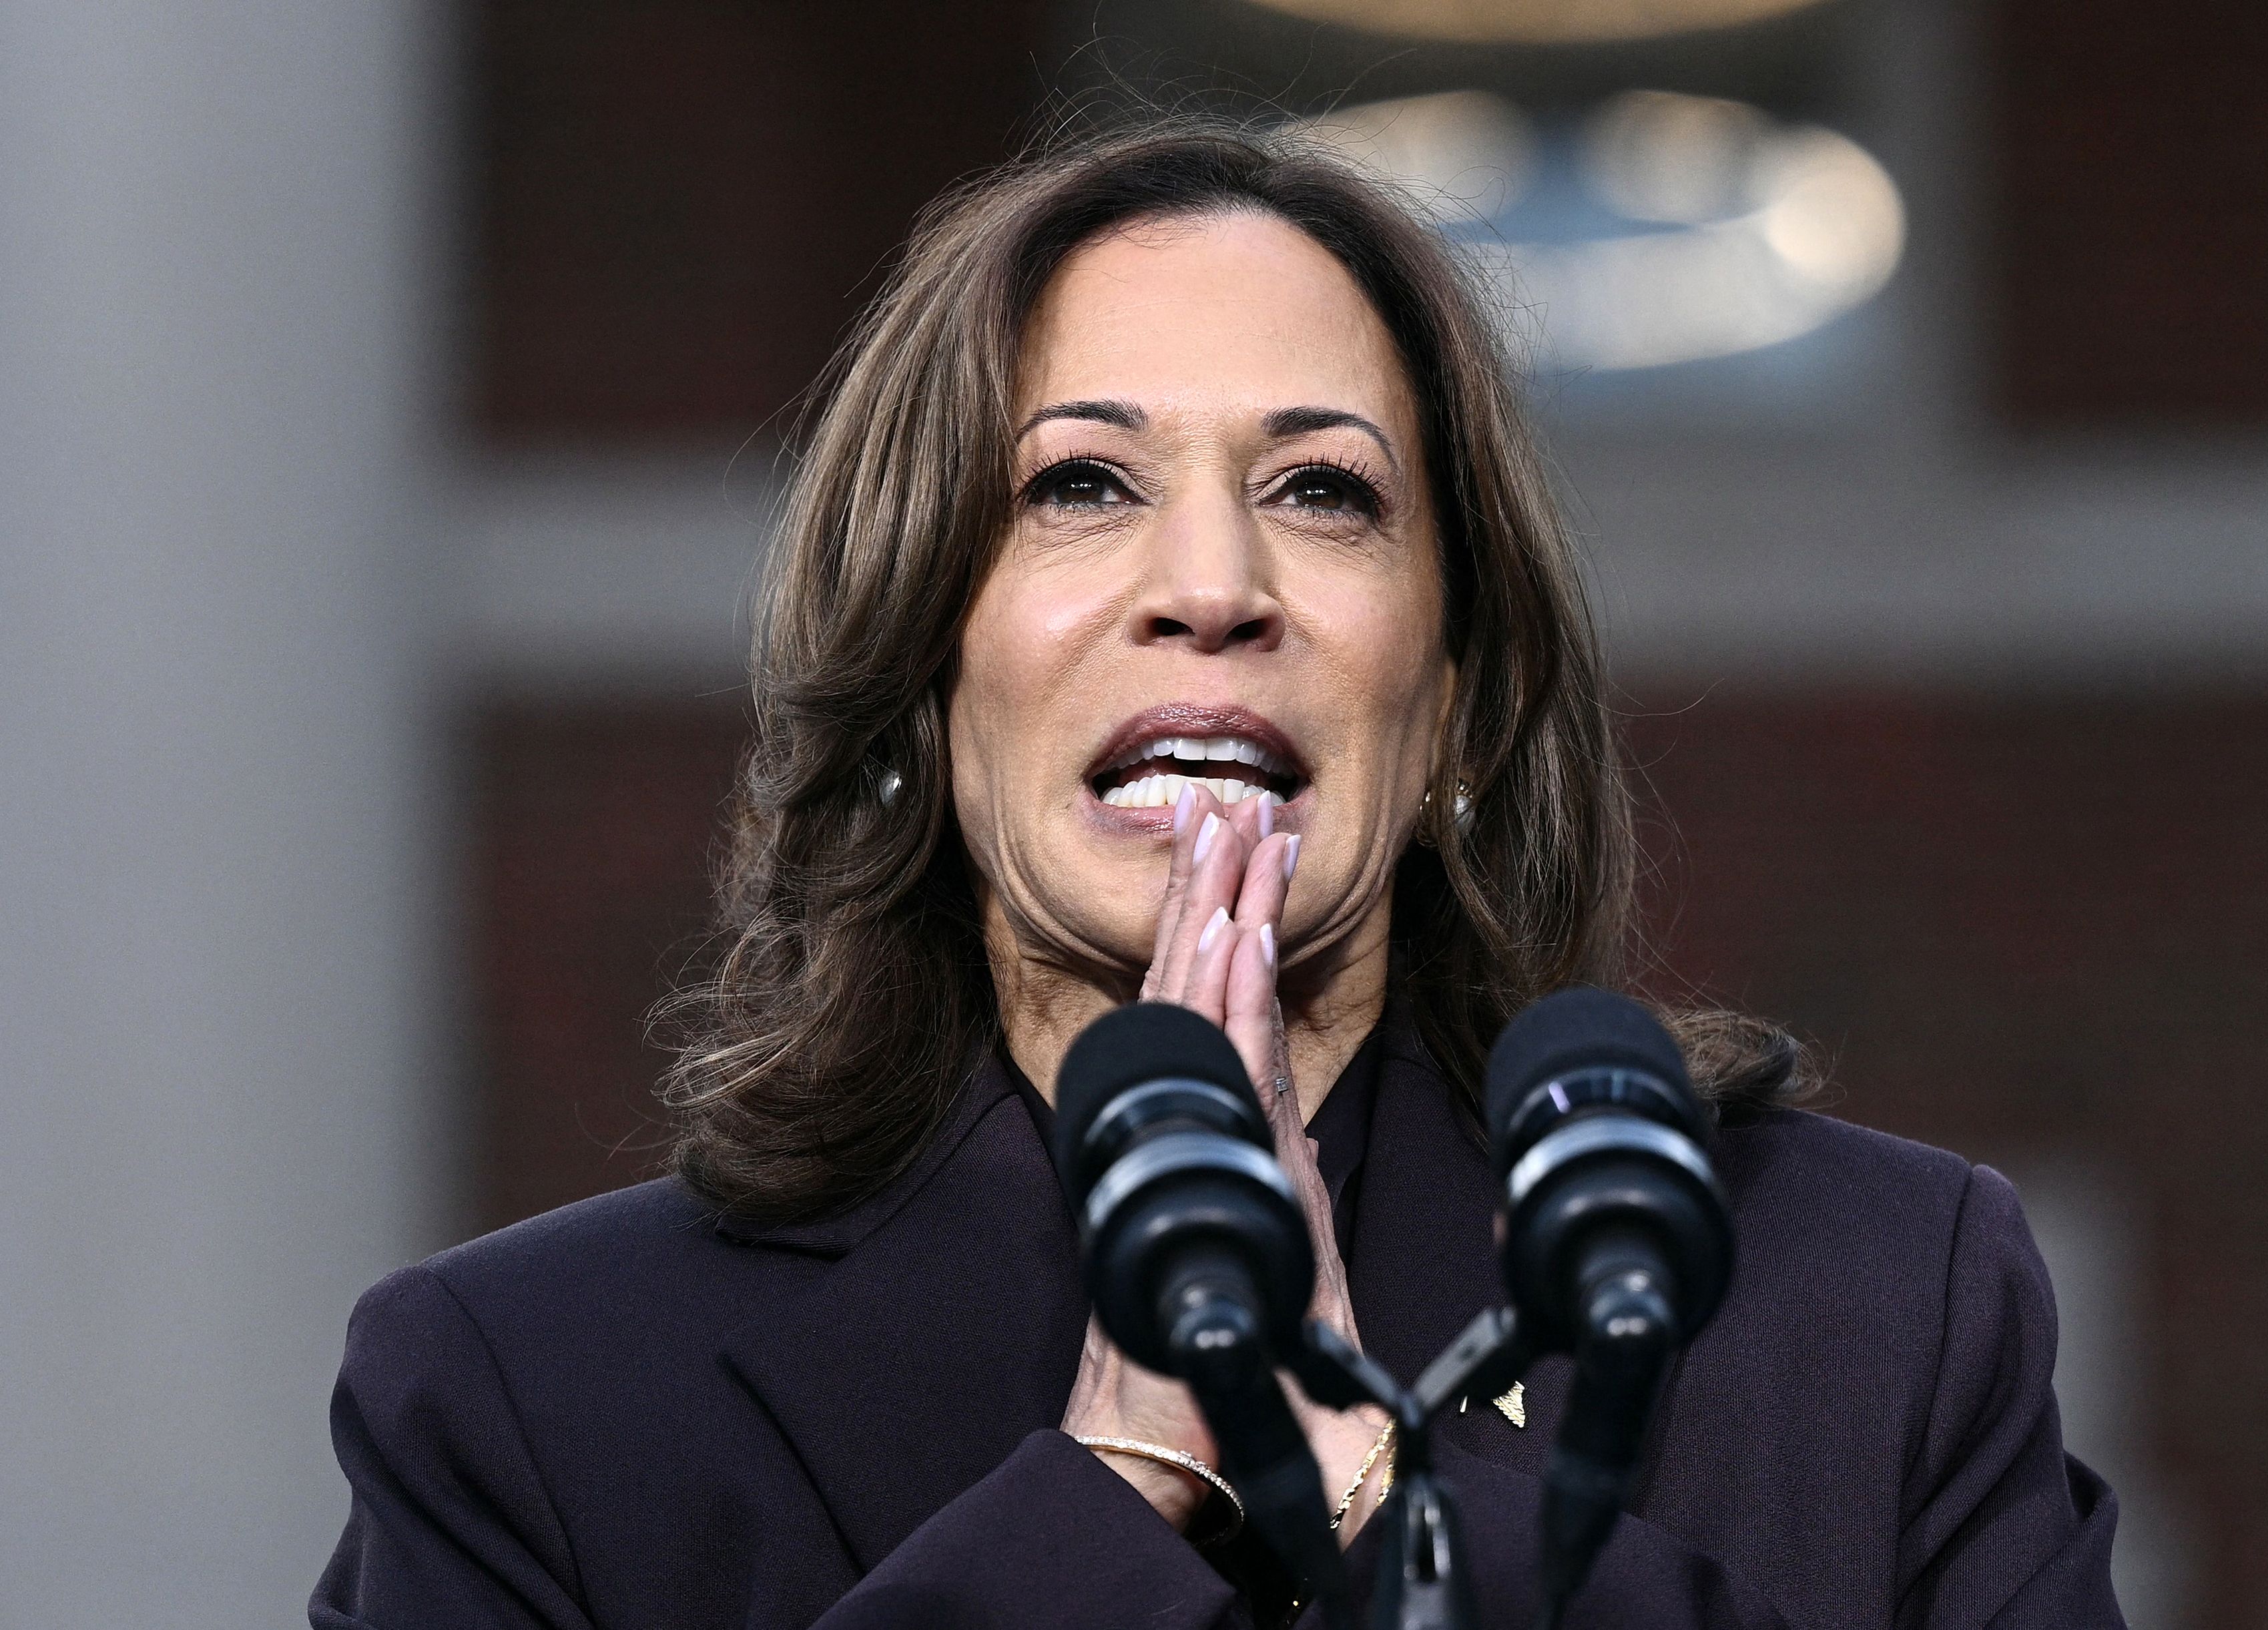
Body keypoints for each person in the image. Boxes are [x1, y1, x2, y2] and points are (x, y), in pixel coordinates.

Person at [312, 119, 2123, 1630]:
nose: (1213, 581)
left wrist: (1367, 1483)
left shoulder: (1869, 1310)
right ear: (919, 674)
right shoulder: (533, 1401)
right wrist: (1109, 1500)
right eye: (1082, 484)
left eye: (1324, 490)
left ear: (1464, 703)